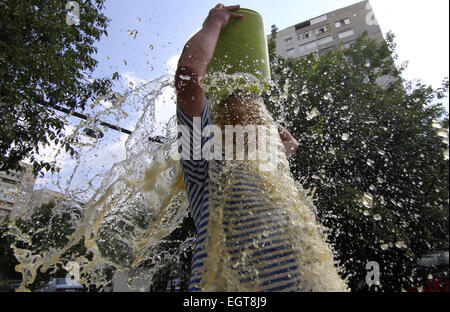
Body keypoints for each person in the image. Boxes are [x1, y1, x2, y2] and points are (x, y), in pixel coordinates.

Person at [175, 4, 304, 292]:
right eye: (231, 105)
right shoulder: (203, 156)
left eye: (256, 109)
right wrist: (216, 23)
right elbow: (188, 77)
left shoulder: (272, 171)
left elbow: (285, 147)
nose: (249, 114)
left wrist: (281, 146)